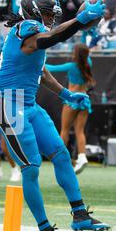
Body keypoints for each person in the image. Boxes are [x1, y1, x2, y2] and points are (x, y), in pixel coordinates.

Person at [0, 0, 109, 231]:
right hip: (8, 106)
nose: (49, 19)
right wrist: (80, 21)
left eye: (51, 14)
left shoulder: (33, 35)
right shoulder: (25, 28)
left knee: (60, 153)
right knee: (31, 167)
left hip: (28, 106)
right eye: (45, 13)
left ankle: (80, 215)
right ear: (32, 11)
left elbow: (42, 73)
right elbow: (48, 39)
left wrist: (67, 94)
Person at [45, 43, 95, 174]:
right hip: (84, 99)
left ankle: (60, 158)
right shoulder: (88, 63)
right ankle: (82, 156)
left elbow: (51, 68)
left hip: (72, 100)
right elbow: (84, 47)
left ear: (75, 54)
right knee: (80, 131)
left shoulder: (71, 66)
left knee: (65, 130)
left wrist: (40, 60)